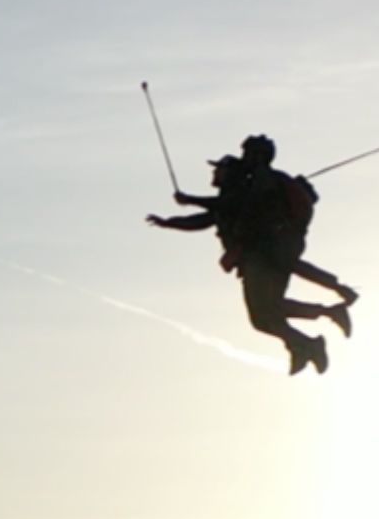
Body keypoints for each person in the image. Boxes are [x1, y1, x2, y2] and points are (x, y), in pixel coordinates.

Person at [148, 135, 357, 375]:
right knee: (262, 317)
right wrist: (168, 222)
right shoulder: (240, 190)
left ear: (256, 156)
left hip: (264, 255)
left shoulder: (258, 181)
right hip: (258, 257)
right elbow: (204, 219)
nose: (215, 175)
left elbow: (234, 205)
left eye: (220, 169)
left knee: (265, 310)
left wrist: (190, 200)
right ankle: (306, 342)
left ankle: (315, 332)